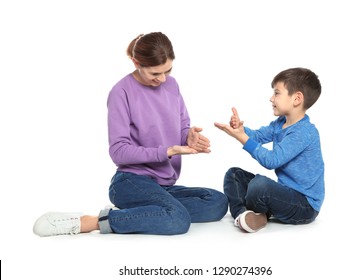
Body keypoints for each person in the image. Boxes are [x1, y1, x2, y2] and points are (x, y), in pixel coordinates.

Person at [33, 32, 228, 237]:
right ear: (136, 62)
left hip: (163, 185)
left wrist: (188, 136)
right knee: (178, 219)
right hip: (131, 181)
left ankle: (143, 213)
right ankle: (91, 222)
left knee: (217, 203)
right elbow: (118, 151)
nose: (162, 79)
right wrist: (168, 151)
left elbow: (181, 126)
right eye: (154, 74)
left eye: (167, 71)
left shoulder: (172, 85)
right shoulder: (121, 92)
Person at [214, 67, 324, 233]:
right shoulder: (281, 123)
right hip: (284, 194)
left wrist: (242, 138)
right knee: (234, 174)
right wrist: (241, 130)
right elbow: (258, 136)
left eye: (277, 93)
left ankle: (258, 212)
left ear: (297, 98)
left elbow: (271, 160)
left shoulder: (304, 132)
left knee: (259, 186)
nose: (271, 98)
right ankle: (243, 216)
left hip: (304, 205)